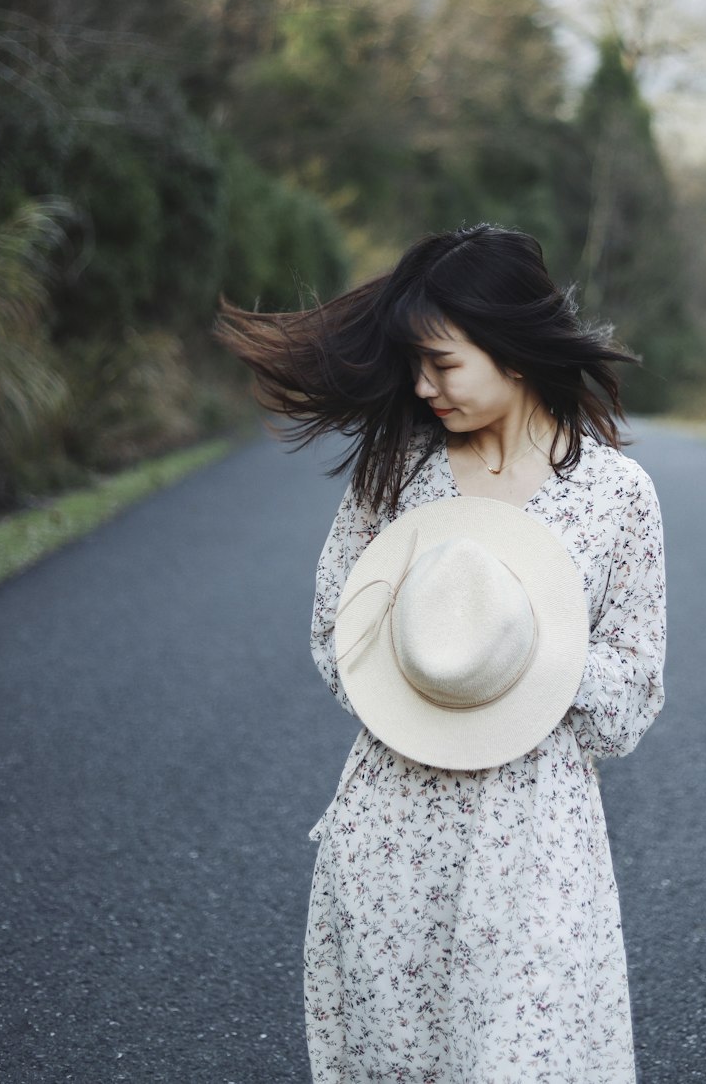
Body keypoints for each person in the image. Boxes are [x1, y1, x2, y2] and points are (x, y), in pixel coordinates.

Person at [216, 224, 667, 1083]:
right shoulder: (394, 471)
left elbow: (632, 702)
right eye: (413, 364)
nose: (423, 386)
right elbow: (332, 636)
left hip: (536, 845)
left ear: (514, 350)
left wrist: (526, 656)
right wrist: (434, 671)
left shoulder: (617, 498)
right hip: (391, 835)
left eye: (443, 363)